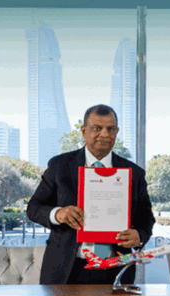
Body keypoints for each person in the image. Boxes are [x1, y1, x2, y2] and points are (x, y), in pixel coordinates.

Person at [27, 105, 154, 285]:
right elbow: (33, 208)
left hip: (115, 269)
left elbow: (146, 219)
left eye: (110, 129)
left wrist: (139, 236)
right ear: (84, 131)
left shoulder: (134, 173)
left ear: (116, 132)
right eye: (97, 128)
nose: (104, 134)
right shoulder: (59, 166)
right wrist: (58, 214)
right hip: (66, 269)